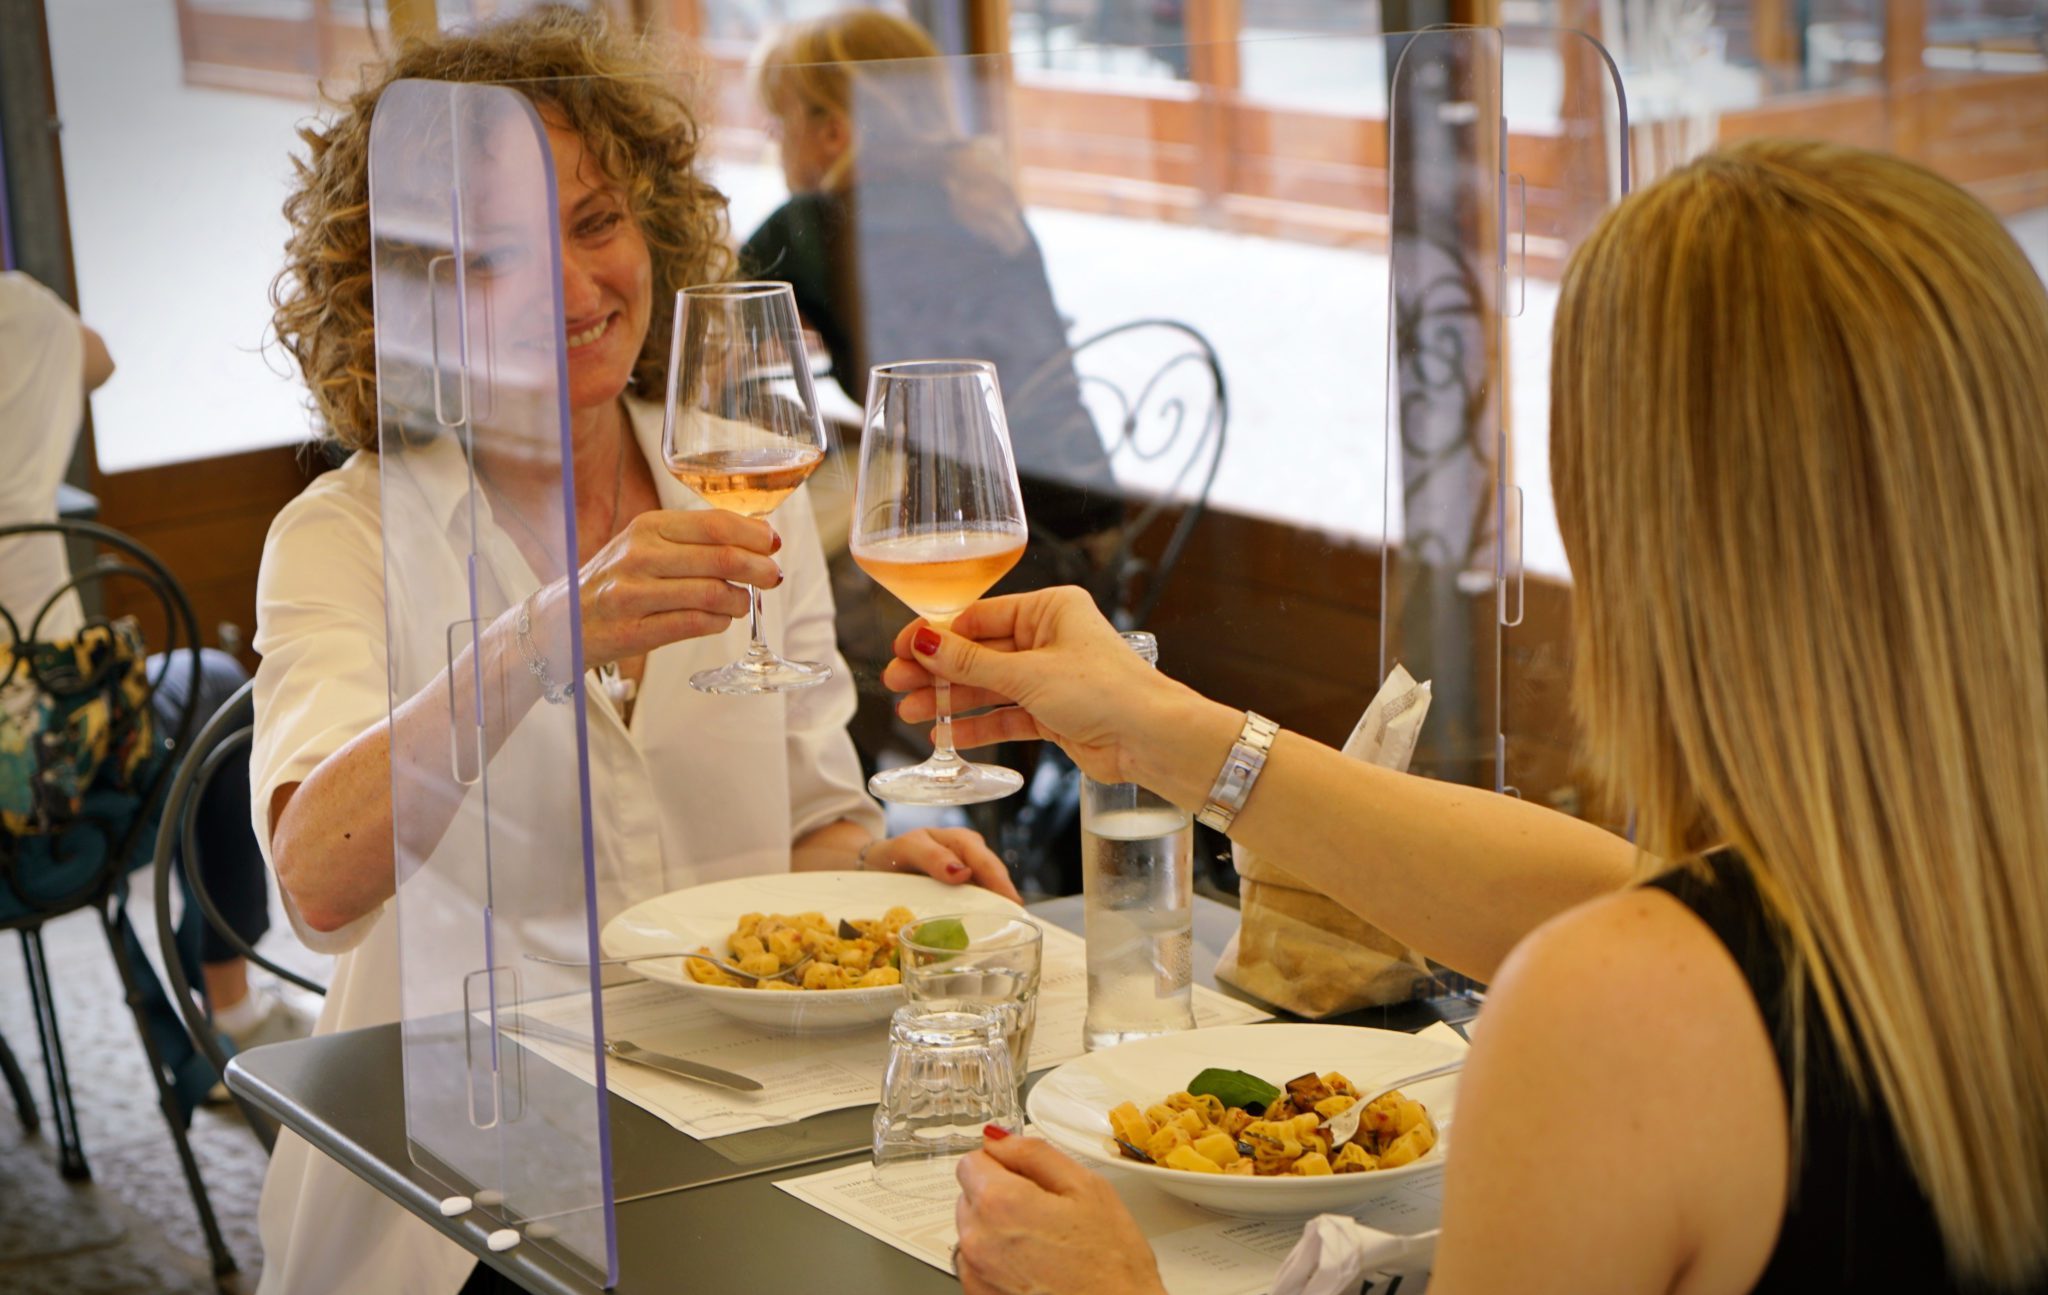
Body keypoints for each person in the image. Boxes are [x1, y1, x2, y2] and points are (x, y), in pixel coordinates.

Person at [886, 140, 2048, 1293]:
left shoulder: (1618, 1014)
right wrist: (1156, 725)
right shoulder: (1925, 897)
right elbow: (1622, 893)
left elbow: (1627, 942)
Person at [254, 10, 1015, 1294]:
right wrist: (541, 636)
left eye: (594, 223)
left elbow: (805, 828)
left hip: (736, 1136)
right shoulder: (346, 536)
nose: (571, 287)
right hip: (461, 1199)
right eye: (492, 257)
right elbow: (317, 880)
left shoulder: (738, 483)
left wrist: (880, 869)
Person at [0, 270, 307, 1105]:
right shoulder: (21, 311)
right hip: (66, 769)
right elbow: (97, 359)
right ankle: (229, 999)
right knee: (215, 684)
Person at [741, 10, 1121, 545]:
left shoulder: (811, 224)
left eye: (777, 127)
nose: (773, 145)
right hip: (1086, 523)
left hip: (975, 536)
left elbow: (708, 328)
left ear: (831, 133)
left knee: (778, 537)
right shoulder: (982, 198)